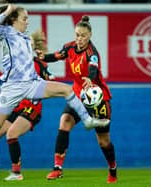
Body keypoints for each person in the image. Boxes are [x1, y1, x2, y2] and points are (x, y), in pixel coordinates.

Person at [0, 3, 110, 178]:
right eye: (25, 18)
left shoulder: (24, 38)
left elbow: (33, 62)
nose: (27, 22)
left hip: (31, 84)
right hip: (12, 89)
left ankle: (87, 120)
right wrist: (8, 11)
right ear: (14, 20)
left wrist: (42, 59)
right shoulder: (7, 32)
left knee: (67, 90)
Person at [36, 16, 117, 183]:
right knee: (65, 121)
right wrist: (43, 56)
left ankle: (112, 168)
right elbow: (57, 55)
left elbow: (93, 68)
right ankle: (57, 168)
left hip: (97, 100)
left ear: (90, 35)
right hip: (78, 96)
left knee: (103, 142)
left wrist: (90, 78)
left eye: (83, 36)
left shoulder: (92, 54)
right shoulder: (70, 47)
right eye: (77, 35)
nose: (79, 39)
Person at [0, 30, 54, 181]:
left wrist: (46, 78)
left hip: (32, 109)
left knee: (11, 134)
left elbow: (46, 82)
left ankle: (17, 173)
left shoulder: (38, 65)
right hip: (15, 108)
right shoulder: (14, 64)